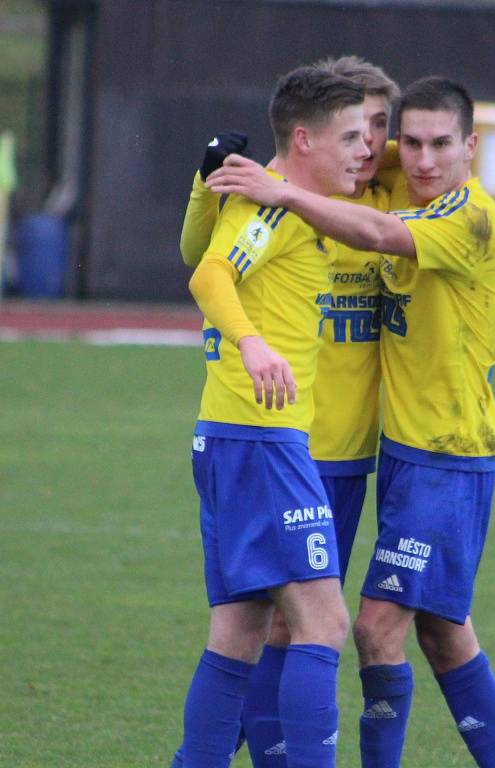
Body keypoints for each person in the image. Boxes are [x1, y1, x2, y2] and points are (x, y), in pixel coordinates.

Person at [204, 75, 495, 768]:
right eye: (405, 141)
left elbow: (394, 234)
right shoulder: (396, 186)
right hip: (393, 455)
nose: (419, 158)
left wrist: (284, 190)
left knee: (371, 628)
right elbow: (346, 164)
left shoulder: (465, 216)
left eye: (439, 144)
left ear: (471, 146)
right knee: (435, 633)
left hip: (450, 454)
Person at [179, 55, 400, 765]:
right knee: (324, 622)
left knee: (239, 631)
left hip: (236, 437)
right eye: (348, 139)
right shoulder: (269, 208)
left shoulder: (284, 203)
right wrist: (252, 345)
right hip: (260, 438)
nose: (364, 151)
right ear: (302, 141)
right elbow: (209, 272)